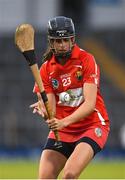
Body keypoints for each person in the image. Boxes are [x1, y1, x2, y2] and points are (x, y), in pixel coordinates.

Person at [30, 16, 110, 179]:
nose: (62, 45)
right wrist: (45, 112)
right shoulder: (45, 69)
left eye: (65, 40)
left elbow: (89, 104)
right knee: (45, 177)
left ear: (72, 39)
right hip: (63, 129)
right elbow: (51, 109)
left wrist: (64, 122)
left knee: (70, 174)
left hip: (91, 125)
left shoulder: (86, 60)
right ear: (51, 42)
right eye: (57, 41)